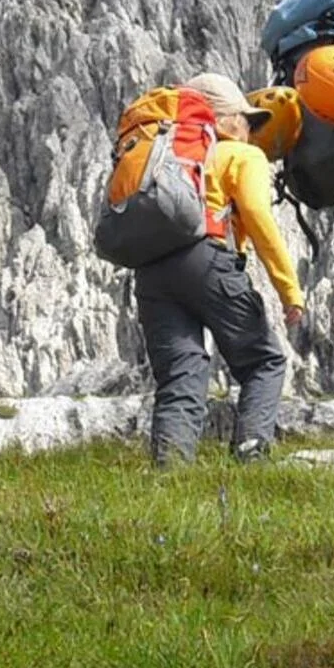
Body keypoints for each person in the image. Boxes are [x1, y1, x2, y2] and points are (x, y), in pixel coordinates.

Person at [134, 72, 305, 465]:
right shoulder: (241, 156)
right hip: (207, 259)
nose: (251, 131)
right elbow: (258, 217)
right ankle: (251, 454)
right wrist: (289, 291)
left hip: (151, 267)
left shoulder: (163, 155)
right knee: (264, 361)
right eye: (247, 120)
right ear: (226, 119)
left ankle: (170, 471)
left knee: (182, 371)